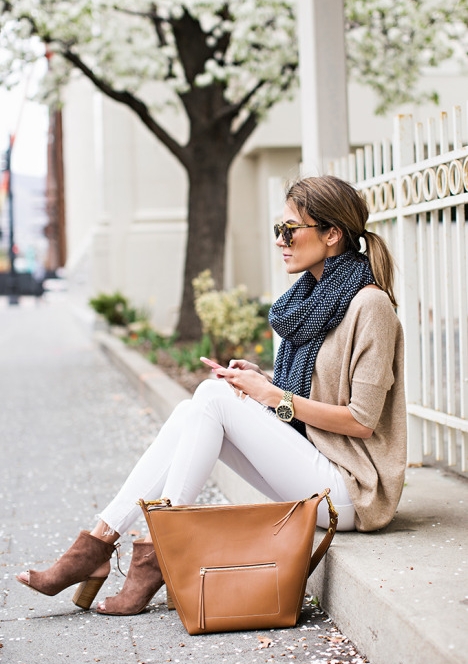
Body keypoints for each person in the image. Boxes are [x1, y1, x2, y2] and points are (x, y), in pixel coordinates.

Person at [16, 175, 407, 616]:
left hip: (354, 491)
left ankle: (154, 553)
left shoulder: (369, 306)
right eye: (279, 230)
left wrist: (271, 395)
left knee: (210, 398)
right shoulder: (312, 299)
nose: (280, 241)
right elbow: (310, 392)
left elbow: (361, 421)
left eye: (289, 229)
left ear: (332, 233)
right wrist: (260, 380)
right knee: (195, 408)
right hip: (314, 460)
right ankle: (100, 543)